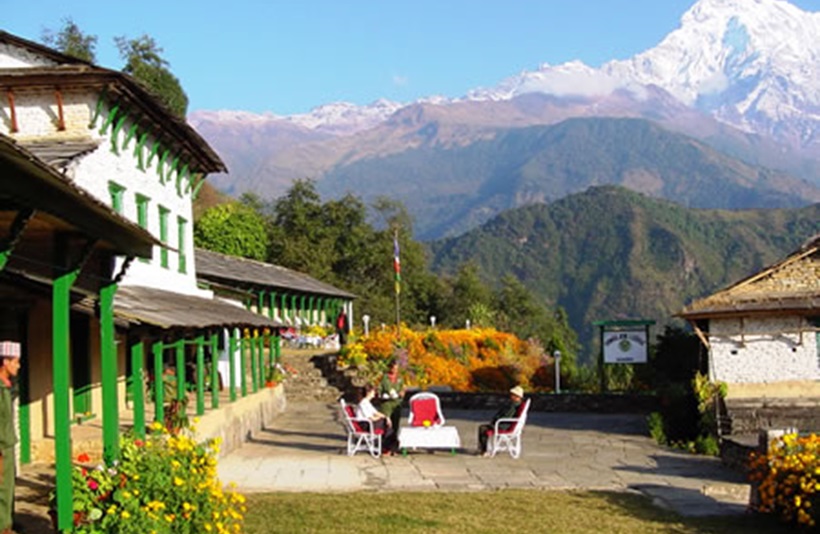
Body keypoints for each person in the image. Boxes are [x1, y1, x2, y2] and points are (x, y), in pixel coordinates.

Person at [0, 341, 21, 534]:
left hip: (7, 442)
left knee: (8, 487)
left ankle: (8, 523)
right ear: (5, 361)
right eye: (16, 361)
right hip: (1, 446)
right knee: (2, 489)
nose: (18, 365)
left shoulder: (6, 386)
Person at [477, 385, 524, 457]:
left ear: (516, 396)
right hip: (504, 424)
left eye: (512, 394)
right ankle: (483, 449)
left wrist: (496, 420)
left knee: (483, 428)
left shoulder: (513, 405)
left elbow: (506, 416)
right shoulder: (515, 404)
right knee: (483, 427)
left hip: (503, 425)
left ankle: (484, 450)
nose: (511, 396)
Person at [355, 385, 394, 454]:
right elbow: (371, 418)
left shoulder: (367, 403)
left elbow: (376, 413)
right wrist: (382, 418)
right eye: (373, 392)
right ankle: (386, 447)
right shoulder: (363, 403)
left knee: (387, 425)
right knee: (386, 425)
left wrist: (386, 417)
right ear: (368, 393)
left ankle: (386, 446)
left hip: (370, 423)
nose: (374, 393)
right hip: (365, 424)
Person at [378, 360, 406, 442]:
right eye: (393, 369)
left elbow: (403, 388)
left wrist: (402, 392)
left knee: (395, 423)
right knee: (386, 423)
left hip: (397, 402)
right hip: (386, 403)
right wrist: (381, 395)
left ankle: (394, 443)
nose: (395, 371)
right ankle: (385, 443)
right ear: (390, 368)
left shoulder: (400, 378)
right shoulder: (384, 378)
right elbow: (379, 388)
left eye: (397, 369)